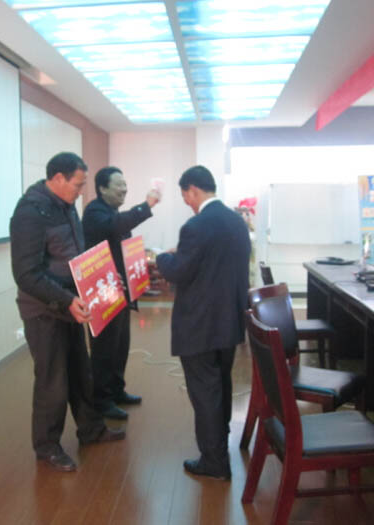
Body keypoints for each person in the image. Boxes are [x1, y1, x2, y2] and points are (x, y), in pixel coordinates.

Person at [9, 152, 124, 473]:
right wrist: (65, 299)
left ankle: (90, 430)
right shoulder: (30, 213)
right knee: (53, 381)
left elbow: (76, 257)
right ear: (58, 178)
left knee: (80, 372)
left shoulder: (66, 206)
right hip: (44, 311)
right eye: (78, 184)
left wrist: (100, 280)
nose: (81, 190)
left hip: (70, 306)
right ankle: (47, 446)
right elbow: (26, 274)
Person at [156, 165, 251, 481]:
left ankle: (214, 461)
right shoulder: (237, 222)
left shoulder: (195, 226)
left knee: (205, 392)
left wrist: (162, 257)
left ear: (193, 190)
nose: (187, 202)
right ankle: (220, 441)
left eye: (185, 196)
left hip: (200, 324)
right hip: (229, 321)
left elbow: (179, 271)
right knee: (221, 384)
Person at [82, 167, 161, 420]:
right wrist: (146, 206)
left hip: (120, 290)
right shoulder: (95, 212)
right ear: (102, 188)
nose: (124, 189)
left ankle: (117, 391)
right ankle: (101, 400)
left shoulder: (113, 212)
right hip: (103, 291)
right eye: (119, 185)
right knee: (104, 349)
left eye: (125, 184)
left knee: (120, 345)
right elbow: (116, 226)